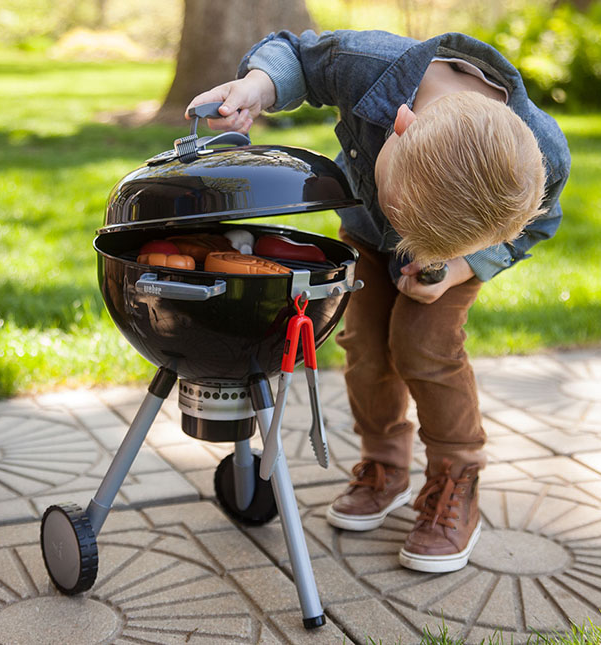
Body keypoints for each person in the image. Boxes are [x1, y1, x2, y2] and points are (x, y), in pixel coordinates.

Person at [186, 30, 571, 573]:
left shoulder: (543, 151)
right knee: (364, 340)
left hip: (451, 254)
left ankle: (456, 478)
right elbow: (299, 57)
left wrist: (458, 266)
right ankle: (385, 465)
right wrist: (258, 86)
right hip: (367, 230)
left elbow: (540, 223)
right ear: (401, 122)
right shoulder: (368, 66)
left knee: (422, 345)